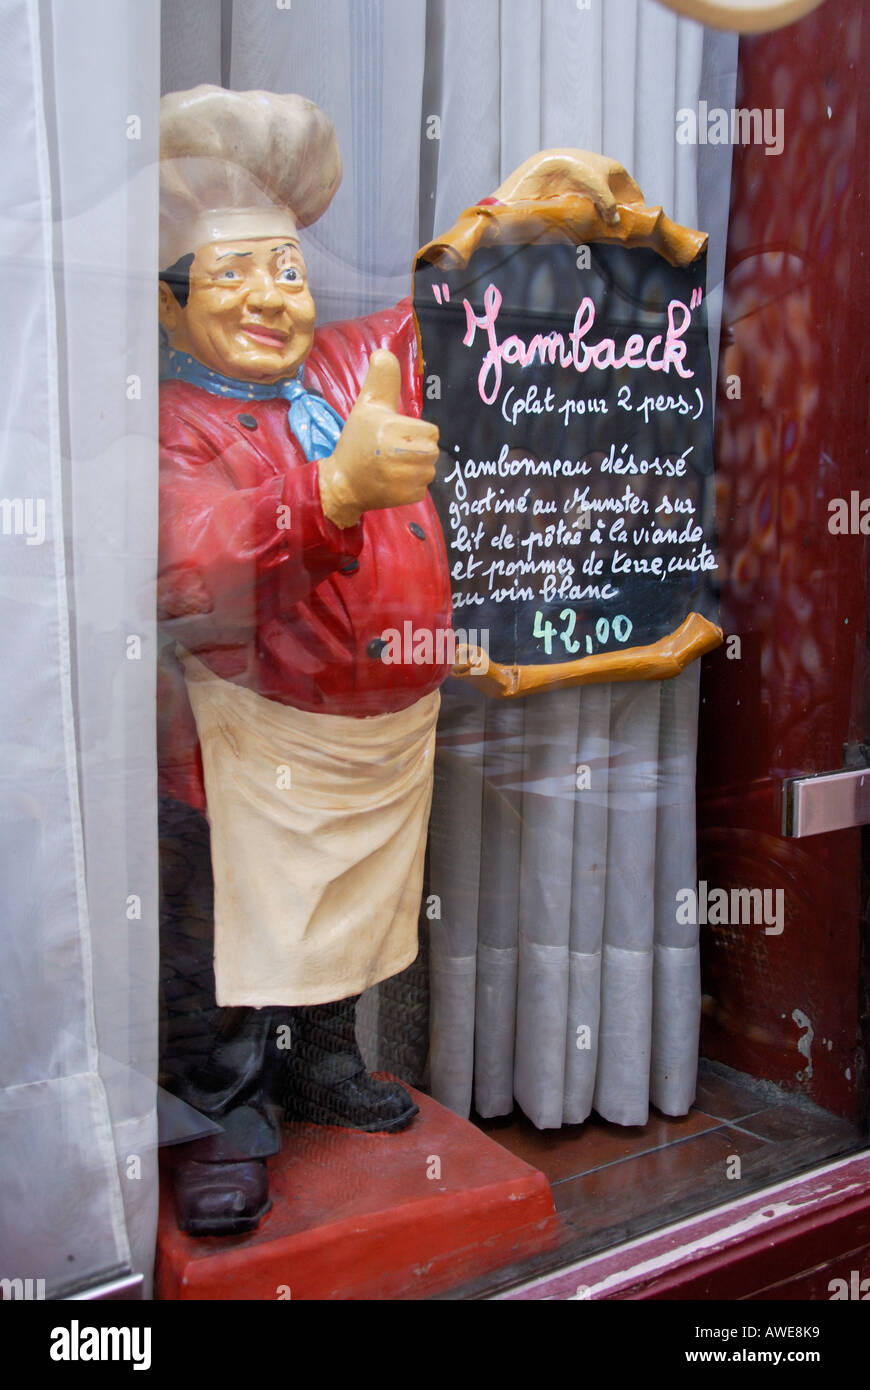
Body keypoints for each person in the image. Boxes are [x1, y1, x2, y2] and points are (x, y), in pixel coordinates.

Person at [157, 84, 636, 1236]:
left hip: (386, 729)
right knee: (231, 943)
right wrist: (329, 488)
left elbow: (451, 308)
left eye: (285, 267)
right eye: (234, 276)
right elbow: (189, 557)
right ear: (174, 310)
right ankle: (219, 1118)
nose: (271, 296)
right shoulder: (175, 421)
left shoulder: (351, 362)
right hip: (251, 741)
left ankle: (323, 1062)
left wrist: (522, 214)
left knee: (357, 918)